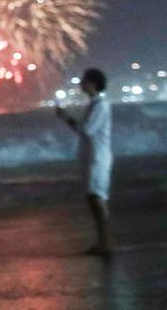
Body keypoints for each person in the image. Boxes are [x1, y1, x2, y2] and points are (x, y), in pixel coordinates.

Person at [56, 67, 114, 255]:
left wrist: (66, 118)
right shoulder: (95, 105)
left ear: (94, 84)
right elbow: (85, 131)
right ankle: (102, 241)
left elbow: (86, 130)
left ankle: (105, 242)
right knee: (94, 197)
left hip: (97, 158)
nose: (81, 84)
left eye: (85, 81)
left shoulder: (100, 106)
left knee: (97, 197)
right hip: (93, 156)